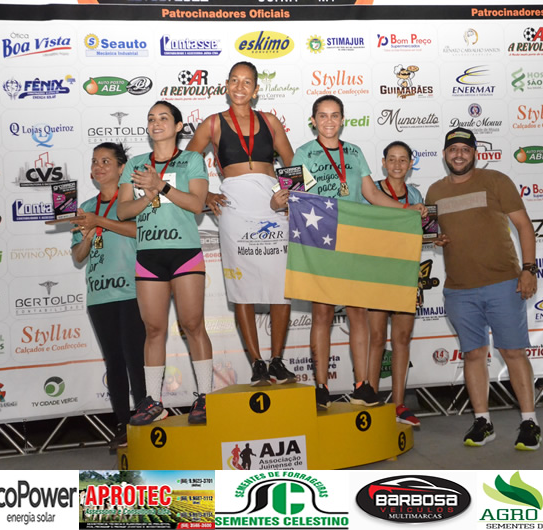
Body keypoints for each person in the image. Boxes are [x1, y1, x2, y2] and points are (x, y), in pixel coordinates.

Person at [282, 95, 426, 410]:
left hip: (353, 237)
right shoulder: (303, 153)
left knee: (358, 312)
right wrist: (280, 201)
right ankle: (321, 386)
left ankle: (363, 385)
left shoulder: (354, 152)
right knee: (322, 313)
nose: (329, 121)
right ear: (313, 121)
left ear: (343, 119)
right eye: (323, 115)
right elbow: (293, 195)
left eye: (335, 115)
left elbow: (371, 193)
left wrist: (405, 209)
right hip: (320, 236)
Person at [426, 127, 541, 450]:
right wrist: (436, 239)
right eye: (453, 149)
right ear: (445, 154)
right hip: (459, 289)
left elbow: (524, 226)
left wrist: (529, 269)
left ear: (475, 154)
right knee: (474, 355)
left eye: (465, 149)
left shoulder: (496, 181)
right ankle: (483, 422)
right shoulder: (434, 191)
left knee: (513, 352)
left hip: (504, 283)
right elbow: (433, 233)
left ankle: (529, 422)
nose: (459, 155)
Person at [187, 61, 297, 387]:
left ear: (256, 89)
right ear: (226, 85)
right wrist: (206, 194)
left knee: (281, 287)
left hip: (273, 206)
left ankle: (277, 360)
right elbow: (186, 163)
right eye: (234, 80)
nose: (239, 87)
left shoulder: (270, 121)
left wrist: (290, 198)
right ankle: (257, 362)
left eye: (247, 82)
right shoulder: (212, 123)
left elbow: (292, 164)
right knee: (242, 286)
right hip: (234, 208)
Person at [117, 100, 213, 426]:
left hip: (184, 253)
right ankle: (154, 401)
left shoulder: (192, 160)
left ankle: (206, 397)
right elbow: (123, 212)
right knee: (154, 329)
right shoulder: (136, 164)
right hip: (149, 256)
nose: (156, 123)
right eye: (151, 119)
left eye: (163, 118)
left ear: (178, 126)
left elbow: (197, 205)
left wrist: (161, 186)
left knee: (193, 325)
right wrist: (148, 196)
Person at [71, 142, 145, 449]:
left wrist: (100, 222)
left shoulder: (134, 201)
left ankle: (145, 417)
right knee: (114, 362)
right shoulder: (86, 207)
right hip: (99, 296)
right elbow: (78, 256)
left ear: (121, 168)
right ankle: (123, 425)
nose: (98, 167)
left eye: (105, 161)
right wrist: (88, 236)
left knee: (136, 359)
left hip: (132, 291)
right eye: (94, 161)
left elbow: (141, 232)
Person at [366, 141, 424, 427]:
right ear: (383, 163)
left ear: (411, 163)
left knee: (401, 339)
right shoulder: (371, 191)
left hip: (405, 273)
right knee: (377, 338)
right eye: (392, 159)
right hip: (377, 273)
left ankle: (399, 404)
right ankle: (371, 400)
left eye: (403, 159)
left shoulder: (416, 195)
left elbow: (421, 234)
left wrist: (436, 235)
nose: (397, 164)